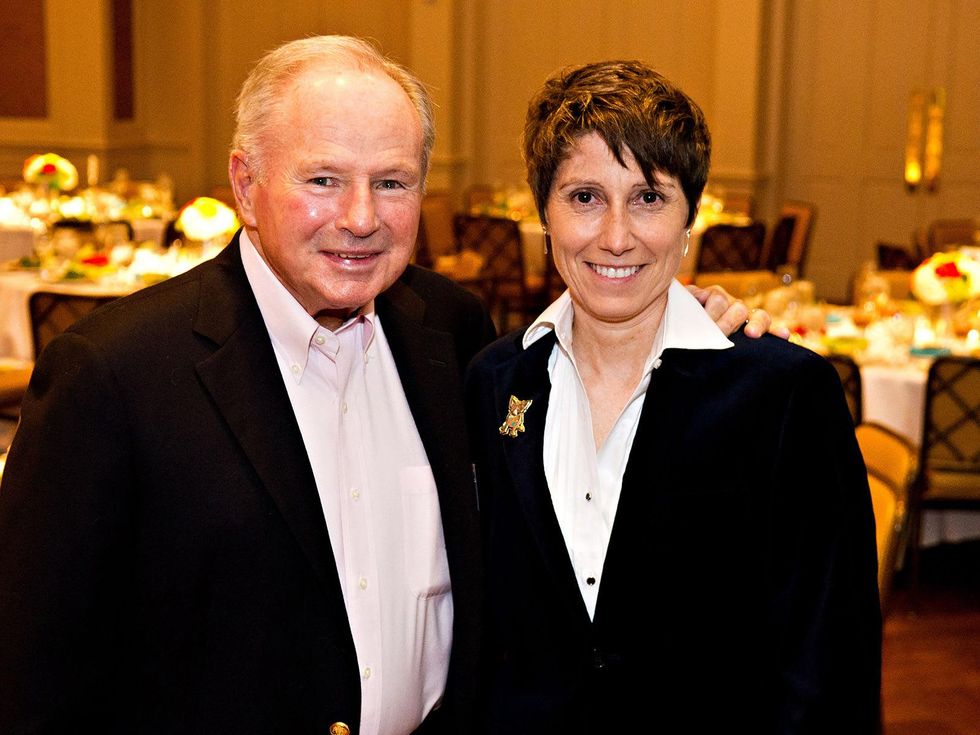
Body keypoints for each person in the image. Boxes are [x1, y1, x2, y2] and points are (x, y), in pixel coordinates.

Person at [0, 38, 769, 735]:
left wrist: (682, 314)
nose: (361, 217)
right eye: (325, 178)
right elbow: (34, 681)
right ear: (245, 181)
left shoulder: (456, 334)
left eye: (393, 182)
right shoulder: (112, 376)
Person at [465, 60, 881, 733]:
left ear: (692, 217)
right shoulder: (494, 382)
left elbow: (829, 658)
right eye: (585, 197)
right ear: (544, 211)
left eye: (650, 198)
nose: (616, 236)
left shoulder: (782, 394)